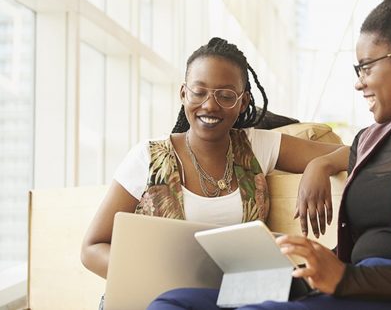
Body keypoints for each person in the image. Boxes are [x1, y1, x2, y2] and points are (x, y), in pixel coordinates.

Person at [147, 0, 391, 310]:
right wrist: (321, 166)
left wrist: (346, 278)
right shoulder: (368, 141)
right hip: (350, 290)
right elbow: (339, 157)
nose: (359, 83)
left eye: (365, 67)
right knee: (172, 302)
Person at [80, 37, 349, 280]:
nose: (210, 105)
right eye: (199, 92)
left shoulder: (256, 145)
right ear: (184, 94)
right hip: (158, 299)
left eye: (226, 96)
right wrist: (153, 277)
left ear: (243, 102)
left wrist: (321, 164)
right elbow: (92, 248)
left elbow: (358, 150)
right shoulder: (147, 158)